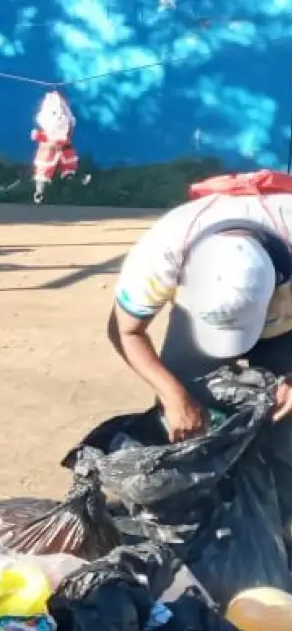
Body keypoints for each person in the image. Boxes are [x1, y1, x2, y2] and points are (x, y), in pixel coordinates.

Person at [108, 185, 292, 441]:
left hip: (286, 319)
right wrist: (174, 397)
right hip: (198, 316)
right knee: (182, 400)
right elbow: (125, 330)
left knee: (286, 421)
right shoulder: (161, 252)